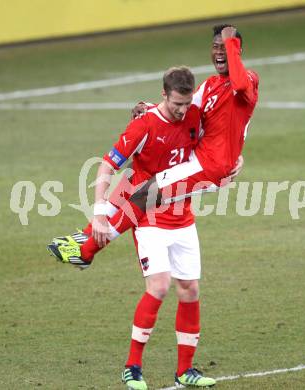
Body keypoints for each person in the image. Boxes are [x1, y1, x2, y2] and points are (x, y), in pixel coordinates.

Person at [48, 66, 218, 389]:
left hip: (183, 216)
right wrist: (98, 213)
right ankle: (133, 366)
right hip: (148, 216)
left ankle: (185, 371)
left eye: (186, 104)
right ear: (163, 96)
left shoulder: (195, 115)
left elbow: (217, 142)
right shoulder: (146, 125)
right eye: (176, 104)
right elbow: (108, 165)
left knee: (191, 290)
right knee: (159, 286)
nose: (182, 111)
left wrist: (232, 161)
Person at [52, 24, 258, 265]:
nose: (220, 52)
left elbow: (241, 86)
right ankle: (84, 236)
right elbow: (185, 110)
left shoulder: (249, 79)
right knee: (133, 178)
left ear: (237, 50)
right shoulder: (210, 85)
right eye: (215, 47)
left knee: (145, 194)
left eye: (226, 47)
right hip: (199, 159)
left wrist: (230, 40)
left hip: (211, 167)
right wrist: (151, 109)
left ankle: (86, 252)